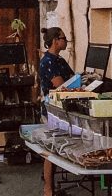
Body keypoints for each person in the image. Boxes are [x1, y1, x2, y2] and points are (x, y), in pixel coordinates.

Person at [38, 28, 74, 196]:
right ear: (54, 41)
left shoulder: (59, 60)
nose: (66, 41)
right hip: (51, 111)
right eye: (63, 38)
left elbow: (73, 78)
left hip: (61, 110)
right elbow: (62, 86)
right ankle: (48, 190)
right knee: (50, 150)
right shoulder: (48, 62)